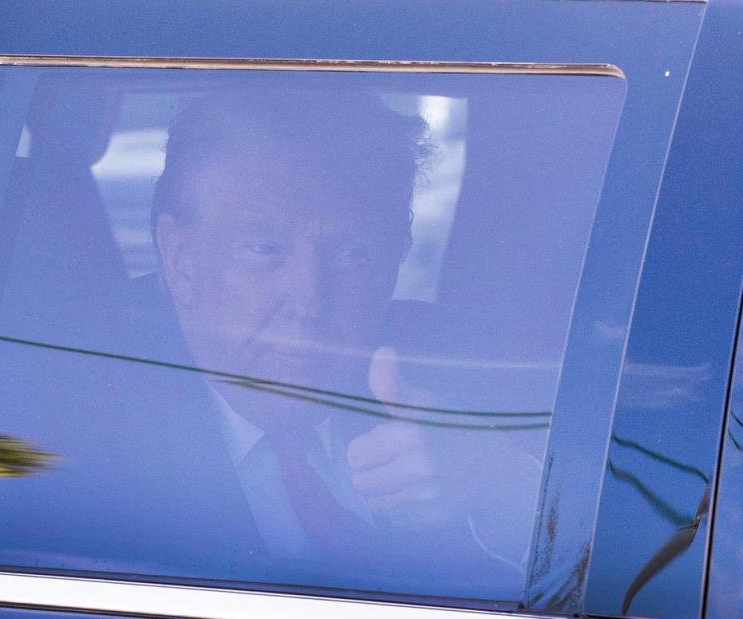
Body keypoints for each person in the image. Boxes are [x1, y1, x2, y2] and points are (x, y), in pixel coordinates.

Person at [92, 84, 520, 594]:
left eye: (350, 253)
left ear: (393, 263)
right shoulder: (84, 443)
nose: (309, 300)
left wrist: (496, 485)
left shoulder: (466, 375)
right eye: (266, 248)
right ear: (181, 262)